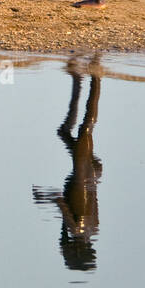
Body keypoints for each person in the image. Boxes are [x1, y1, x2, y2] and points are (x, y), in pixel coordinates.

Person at [31, 59, 102, 271]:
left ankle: (78, 80)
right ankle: (96, 76)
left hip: (92, 172)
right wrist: (43, 198)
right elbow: (60, 200)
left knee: (65, 133)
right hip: (82, 171)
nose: (63, 252)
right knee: (87, 127)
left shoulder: (93, 230)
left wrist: (63, 235)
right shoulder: (77, 228)